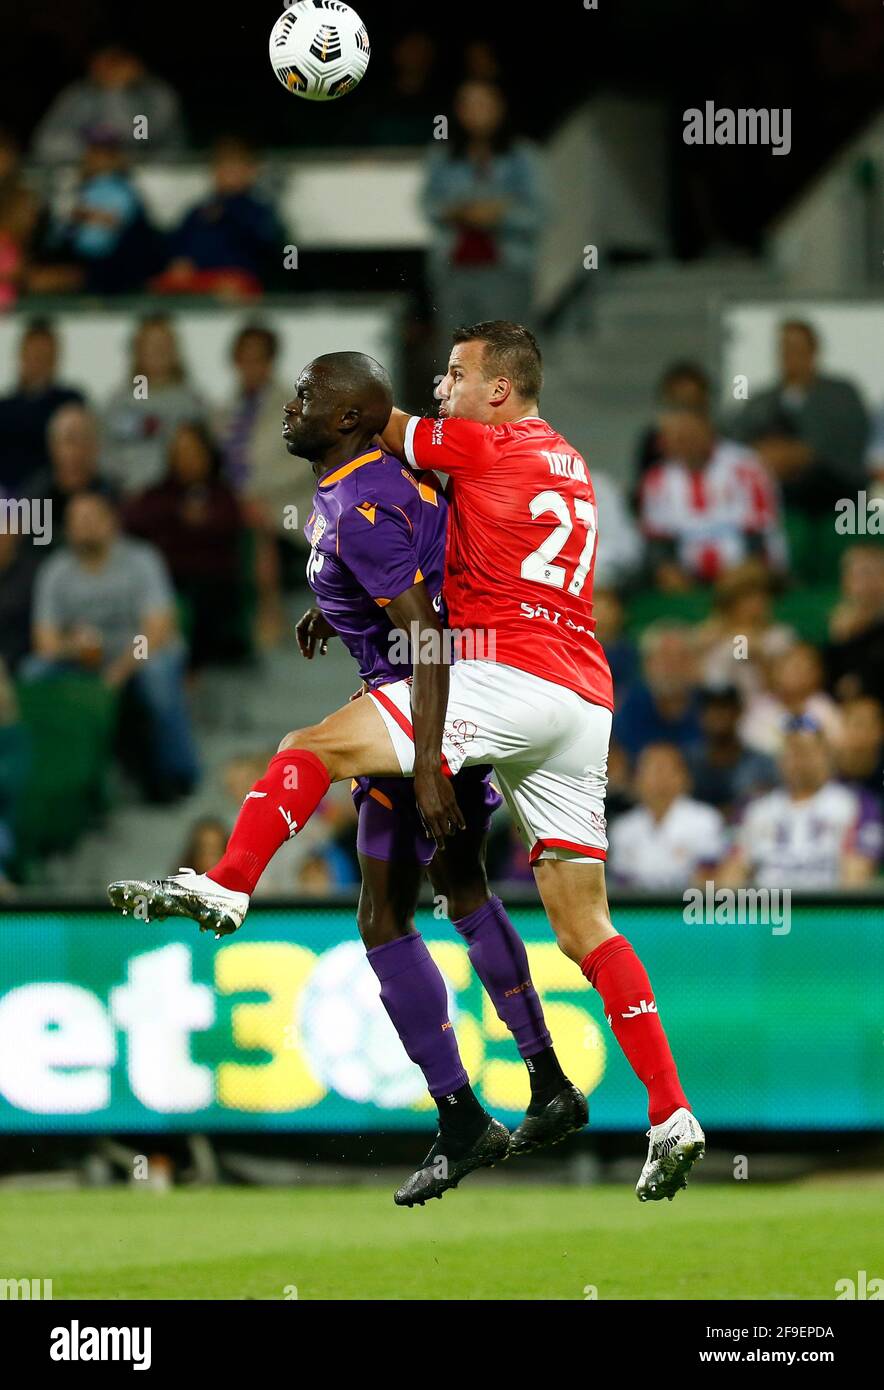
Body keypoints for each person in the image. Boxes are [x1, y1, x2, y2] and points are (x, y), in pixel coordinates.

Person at [109, 323, 705, 1206]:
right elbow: (430, 527)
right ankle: (668, 1112)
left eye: (457, 376)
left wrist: (427, 761)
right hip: (583, 699)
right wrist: (338, 596)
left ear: (499, 390)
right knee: (581, 927)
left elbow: (376, 423)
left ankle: (232, 882)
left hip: (494, 673)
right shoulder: (571, 462)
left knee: (309, 757)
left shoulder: (460, 441)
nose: (444, 389)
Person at [27, 492, 199, 802]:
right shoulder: (55, 571)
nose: (85, 527)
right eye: (77, 521)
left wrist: (119, 670)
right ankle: (55, 777)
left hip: (142, 649)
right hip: (87, 656)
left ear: (111, 522)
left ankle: (178, 772)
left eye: (92, 518)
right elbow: (46, 643)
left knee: (157, 676)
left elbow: (156, 630)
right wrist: (73, 646)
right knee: (34, 672)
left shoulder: (142, 560)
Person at [123, 422, 247, 669]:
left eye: (193, 452)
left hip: (211, 586)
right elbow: (133, 519)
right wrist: (180, 516)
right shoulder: (158, 494)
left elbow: (225, 526)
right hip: (164, 580)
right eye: (180, 453)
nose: (186, 460)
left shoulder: (223, 495)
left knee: (207, 600)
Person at [423, 83, 545, 332]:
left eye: (483, 105)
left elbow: (541, 212)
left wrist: (499, 215)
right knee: (455, 349)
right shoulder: (443, 156)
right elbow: (427, 205)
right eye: (468, 105)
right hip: (453, 267)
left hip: (506, 268)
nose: (476, 112)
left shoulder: (523, 156)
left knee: (505, 350)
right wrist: (457, 212)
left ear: (499, 108)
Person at [718, 717, 882, 889]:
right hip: (769, 909)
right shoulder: (754, 807)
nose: (800, 759)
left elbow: (856, 876)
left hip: (826, 907)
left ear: (826, 755)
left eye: (807, 750)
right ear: (780, 758)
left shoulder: (856, 802)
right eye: (792, 750)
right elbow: (731, 873)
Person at [730, 320, 870, 512]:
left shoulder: (842, 394)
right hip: (779, 494)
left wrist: (800, 453)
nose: (791, 356)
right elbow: (739, 438)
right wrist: (763, 453)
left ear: (814, 351)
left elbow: (851, 438)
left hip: (836, 494)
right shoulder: (762, 399)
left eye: (798, 349)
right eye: (785, 349)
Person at [640, 407, 786, 588]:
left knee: (751, 577)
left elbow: (760, 532)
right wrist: (669, 571)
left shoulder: (746, 467)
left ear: (709, 432)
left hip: (746, 567)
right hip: (687, 576)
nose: (685, 442)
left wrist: (739, 576)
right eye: (677, 436)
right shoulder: (657, 479)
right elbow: (658, 540)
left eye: (691, 434)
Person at [158, 138, 284, 298]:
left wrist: (231, 214)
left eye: (234, 168)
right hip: (197, 280)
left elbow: (268, 246)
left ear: (250, 171)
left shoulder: (259, 210)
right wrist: (179, 261)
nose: (228, 174)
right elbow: (177, 245)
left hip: (239, 281)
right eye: (222, 167)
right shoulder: (198, 211)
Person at [31, 42, 186, 164]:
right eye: (100, 60)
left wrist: (117, 91)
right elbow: (47, 143)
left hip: (153, 177)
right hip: (88, 173)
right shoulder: (77, 95)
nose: (105, 68)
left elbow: (141, 138)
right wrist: (91, 152)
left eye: (115, 61)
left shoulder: (155, 94)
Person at [103, 315, 206, 495]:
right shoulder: (121, 401)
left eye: (164, 345)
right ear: (137, 350)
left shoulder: (192, 401)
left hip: (176, 499)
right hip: (128, 496)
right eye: (150, 345)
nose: (158, 351)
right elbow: (105, 450)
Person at [607, 743, 727, 890]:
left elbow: (712, 877)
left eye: (666, 769)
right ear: (637, 779)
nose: (660, 778)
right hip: (637, 910)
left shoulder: (705, 820)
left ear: (684, 777)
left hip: (688, 907)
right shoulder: (623, 828)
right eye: (652, 769)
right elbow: (620, 884)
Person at [0, 320, 84, 495]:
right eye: (34, 354)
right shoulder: (4, 408)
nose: (38, 361)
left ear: (55, 358)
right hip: (8, 497)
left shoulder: (69, 402)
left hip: (55, 497)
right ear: (21, 355)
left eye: (45, 355)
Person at [685, 685, 779, 819]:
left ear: (739, 712)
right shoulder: (688, 762)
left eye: (725, 708)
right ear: (701, 716)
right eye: (712, 709)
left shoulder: (762, 764)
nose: (719, 716)